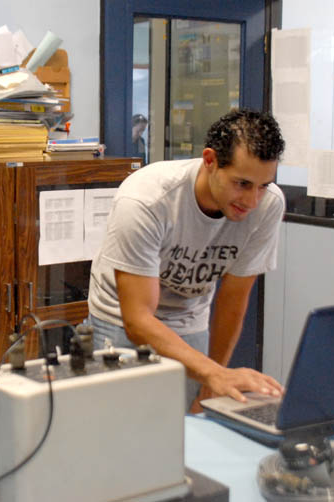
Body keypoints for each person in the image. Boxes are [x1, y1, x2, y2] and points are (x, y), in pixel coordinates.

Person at [88, 109, 285, 412]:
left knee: (187, 430)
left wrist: (211, 383)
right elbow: (138, 320)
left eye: (263, 186)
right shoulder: (146, 200)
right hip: (119, 319)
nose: (252, 201)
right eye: (242, 184)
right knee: (122, 429)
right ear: (210, 160)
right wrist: (215, 373)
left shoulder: (268, 206)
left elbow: (233, 301)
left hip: (189, 318)